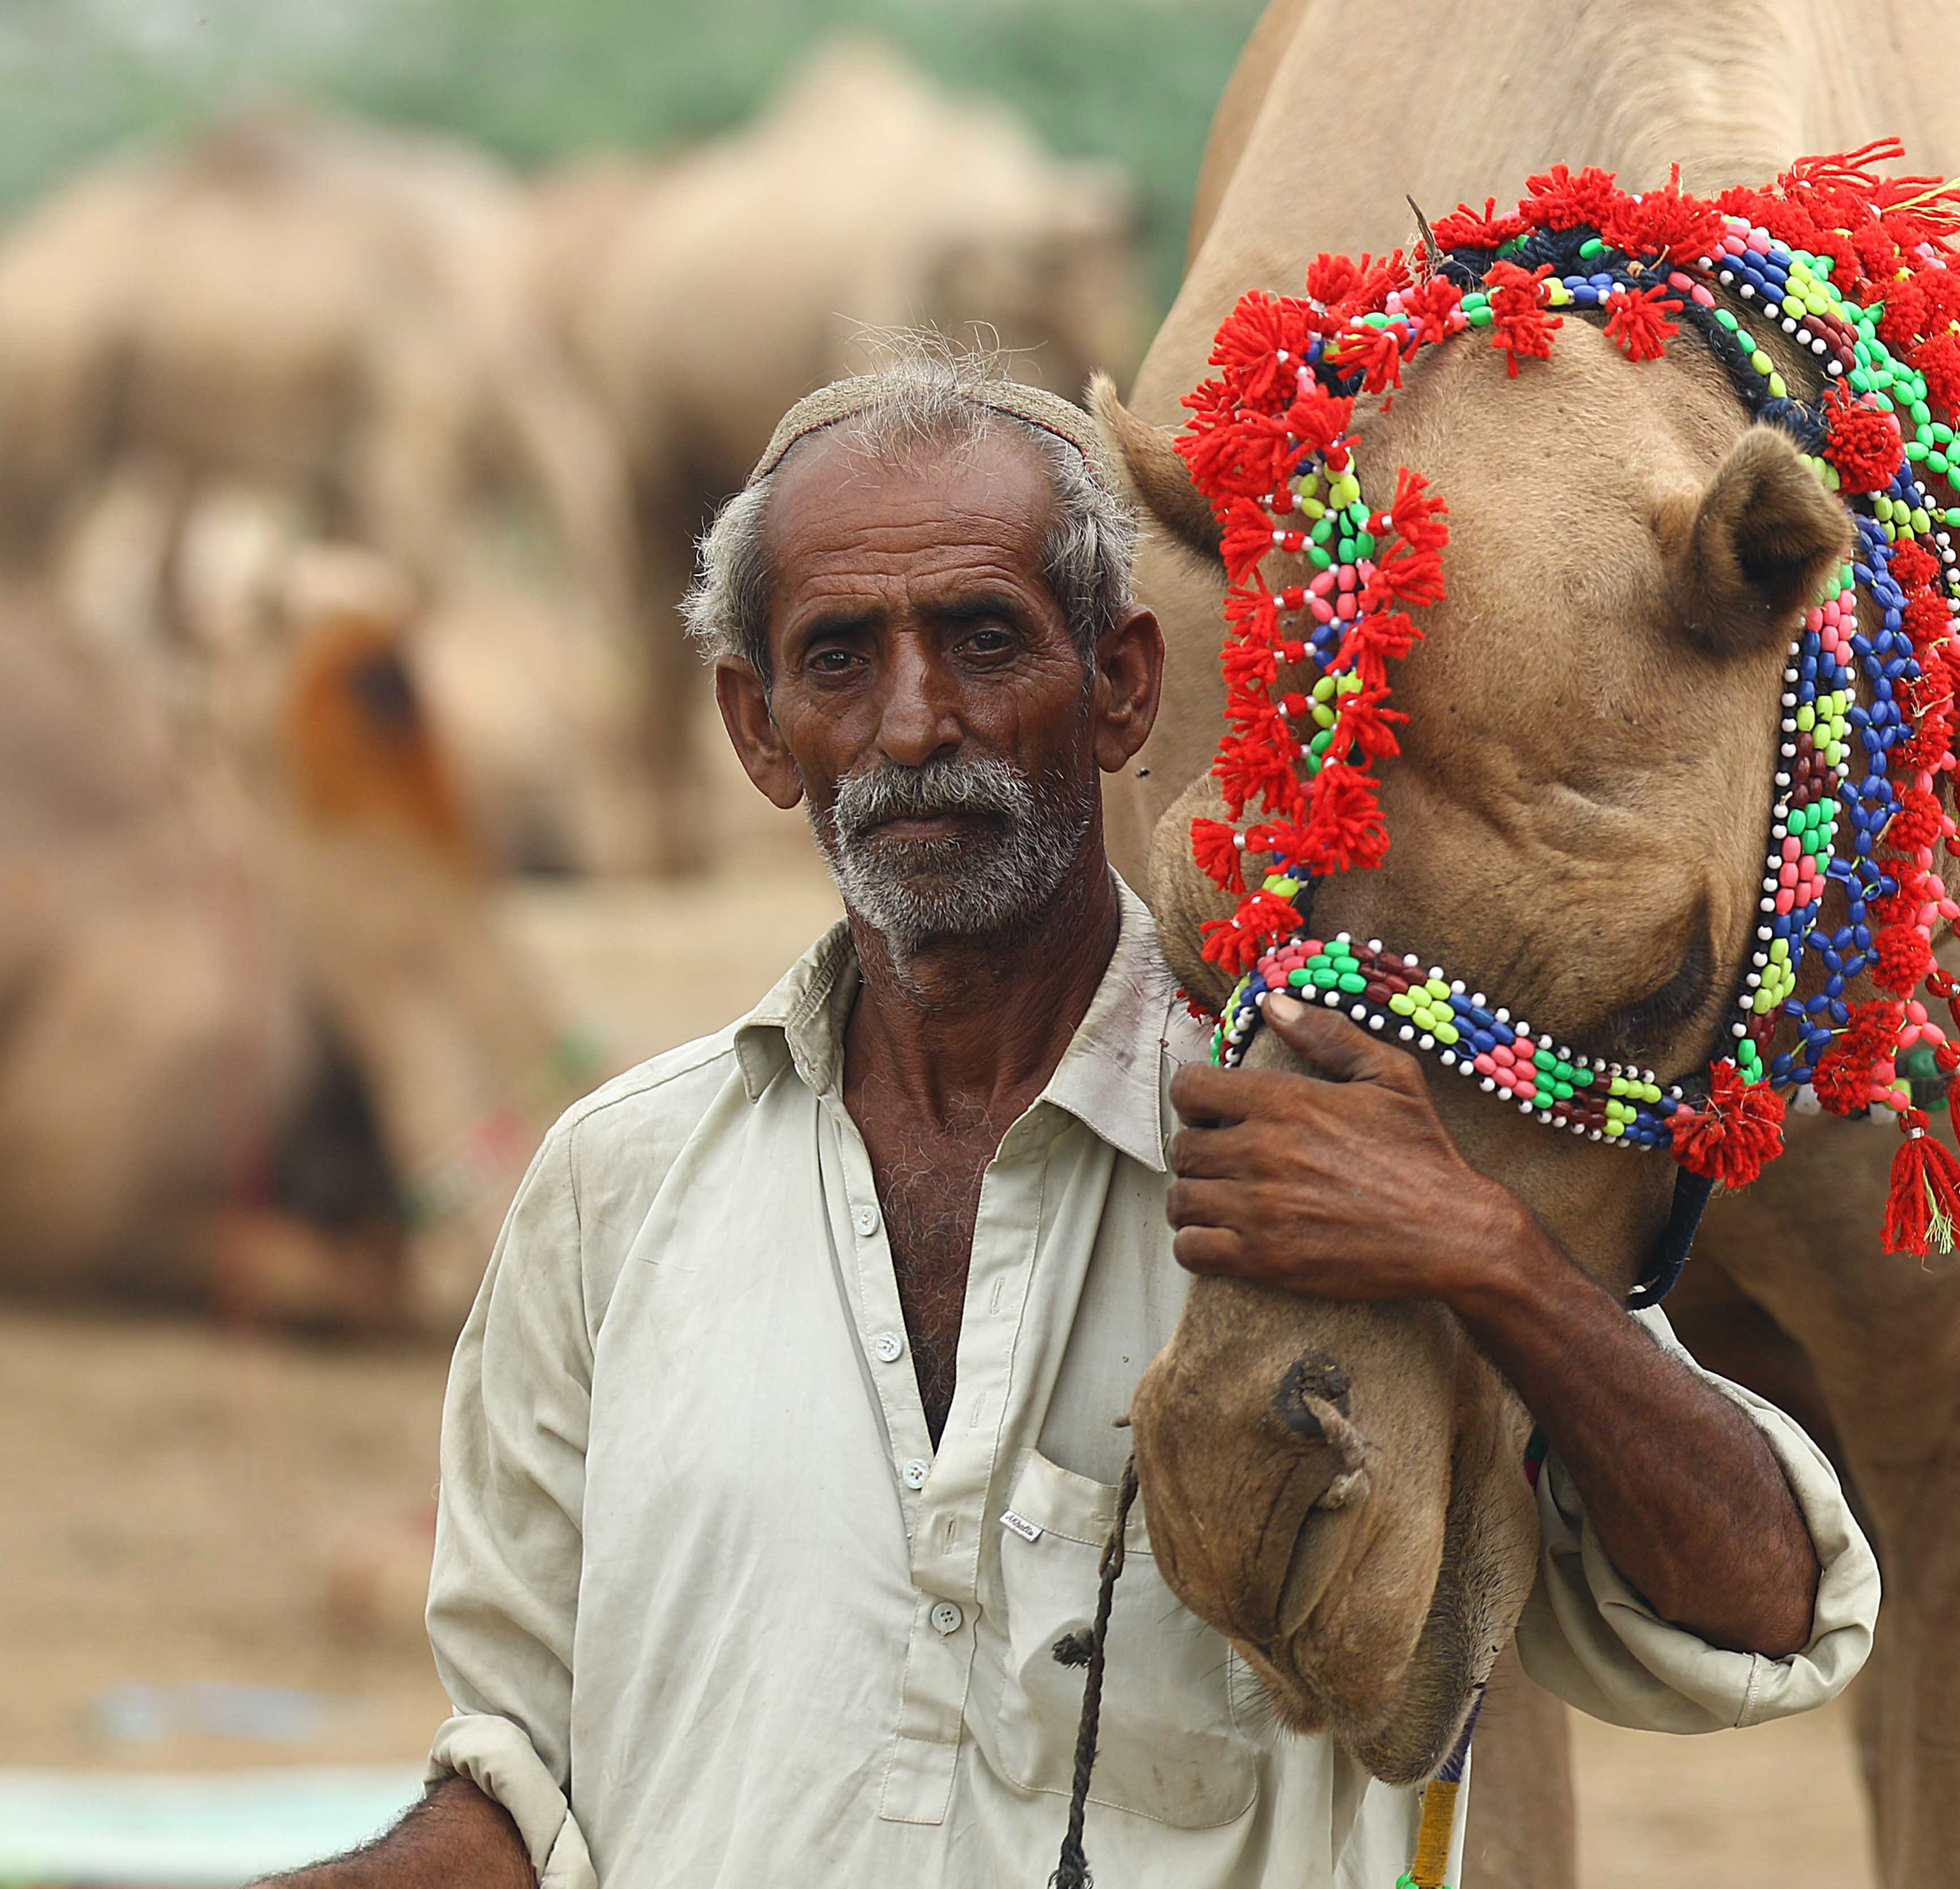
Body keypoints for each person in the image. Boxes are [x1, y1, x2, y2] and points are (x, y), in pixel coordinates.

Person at [263, 353, 1876, 1889]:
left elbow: (1762, 1612)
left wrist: (1495, 1265)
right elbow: (516, 1800)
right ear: (758, 732)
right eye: (840, 659)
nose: (913, 727)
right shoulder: (614, 1189)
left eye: (982, 641)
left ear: (1120, 689)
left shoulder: (1342, 1148)